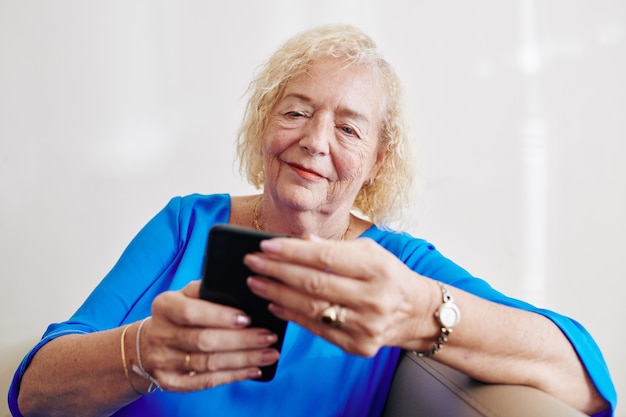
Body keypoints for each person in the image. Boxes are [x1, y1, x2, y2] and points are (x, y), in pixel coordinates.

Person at [8, 23, 616, 417]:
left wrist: (424, 313)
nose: (315, 141)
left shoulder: (397, 268)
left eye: (348, 127)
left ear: (378, 162)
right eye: (296, 112)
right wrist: (139, 353)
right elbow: (32, 391)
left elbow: (588, 382)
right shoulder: (185, 225)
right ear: (264, 126)